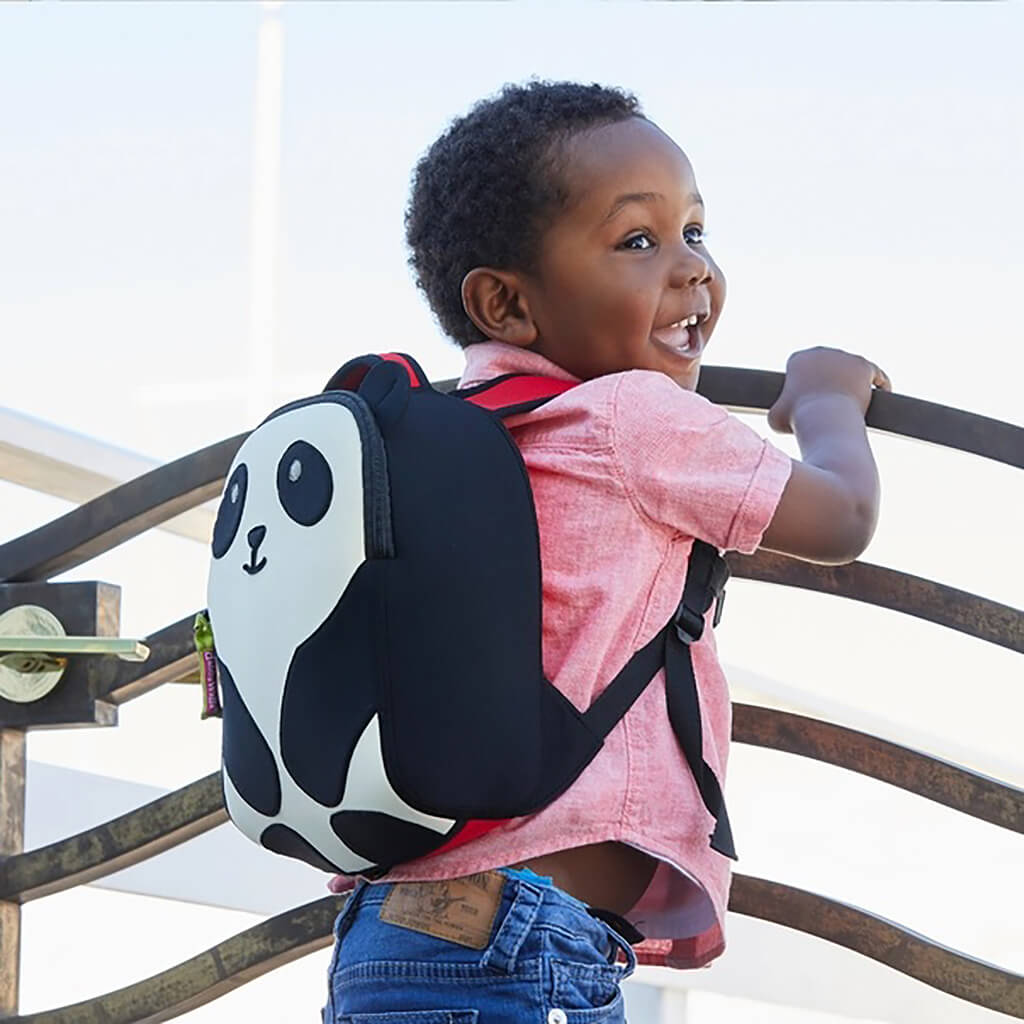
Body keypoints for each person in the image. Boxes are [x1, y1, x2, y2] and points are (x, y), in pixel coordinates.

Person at [322, 80, 889, 1022]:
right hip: (521, 946)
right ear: (505, 302)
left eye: (696, 232)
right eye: (639, 241)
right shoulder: (629, 415)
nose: (689, 270)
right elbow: (841, 519)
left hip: (390, 932)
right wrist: (828, 398)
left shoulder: (436, 439)